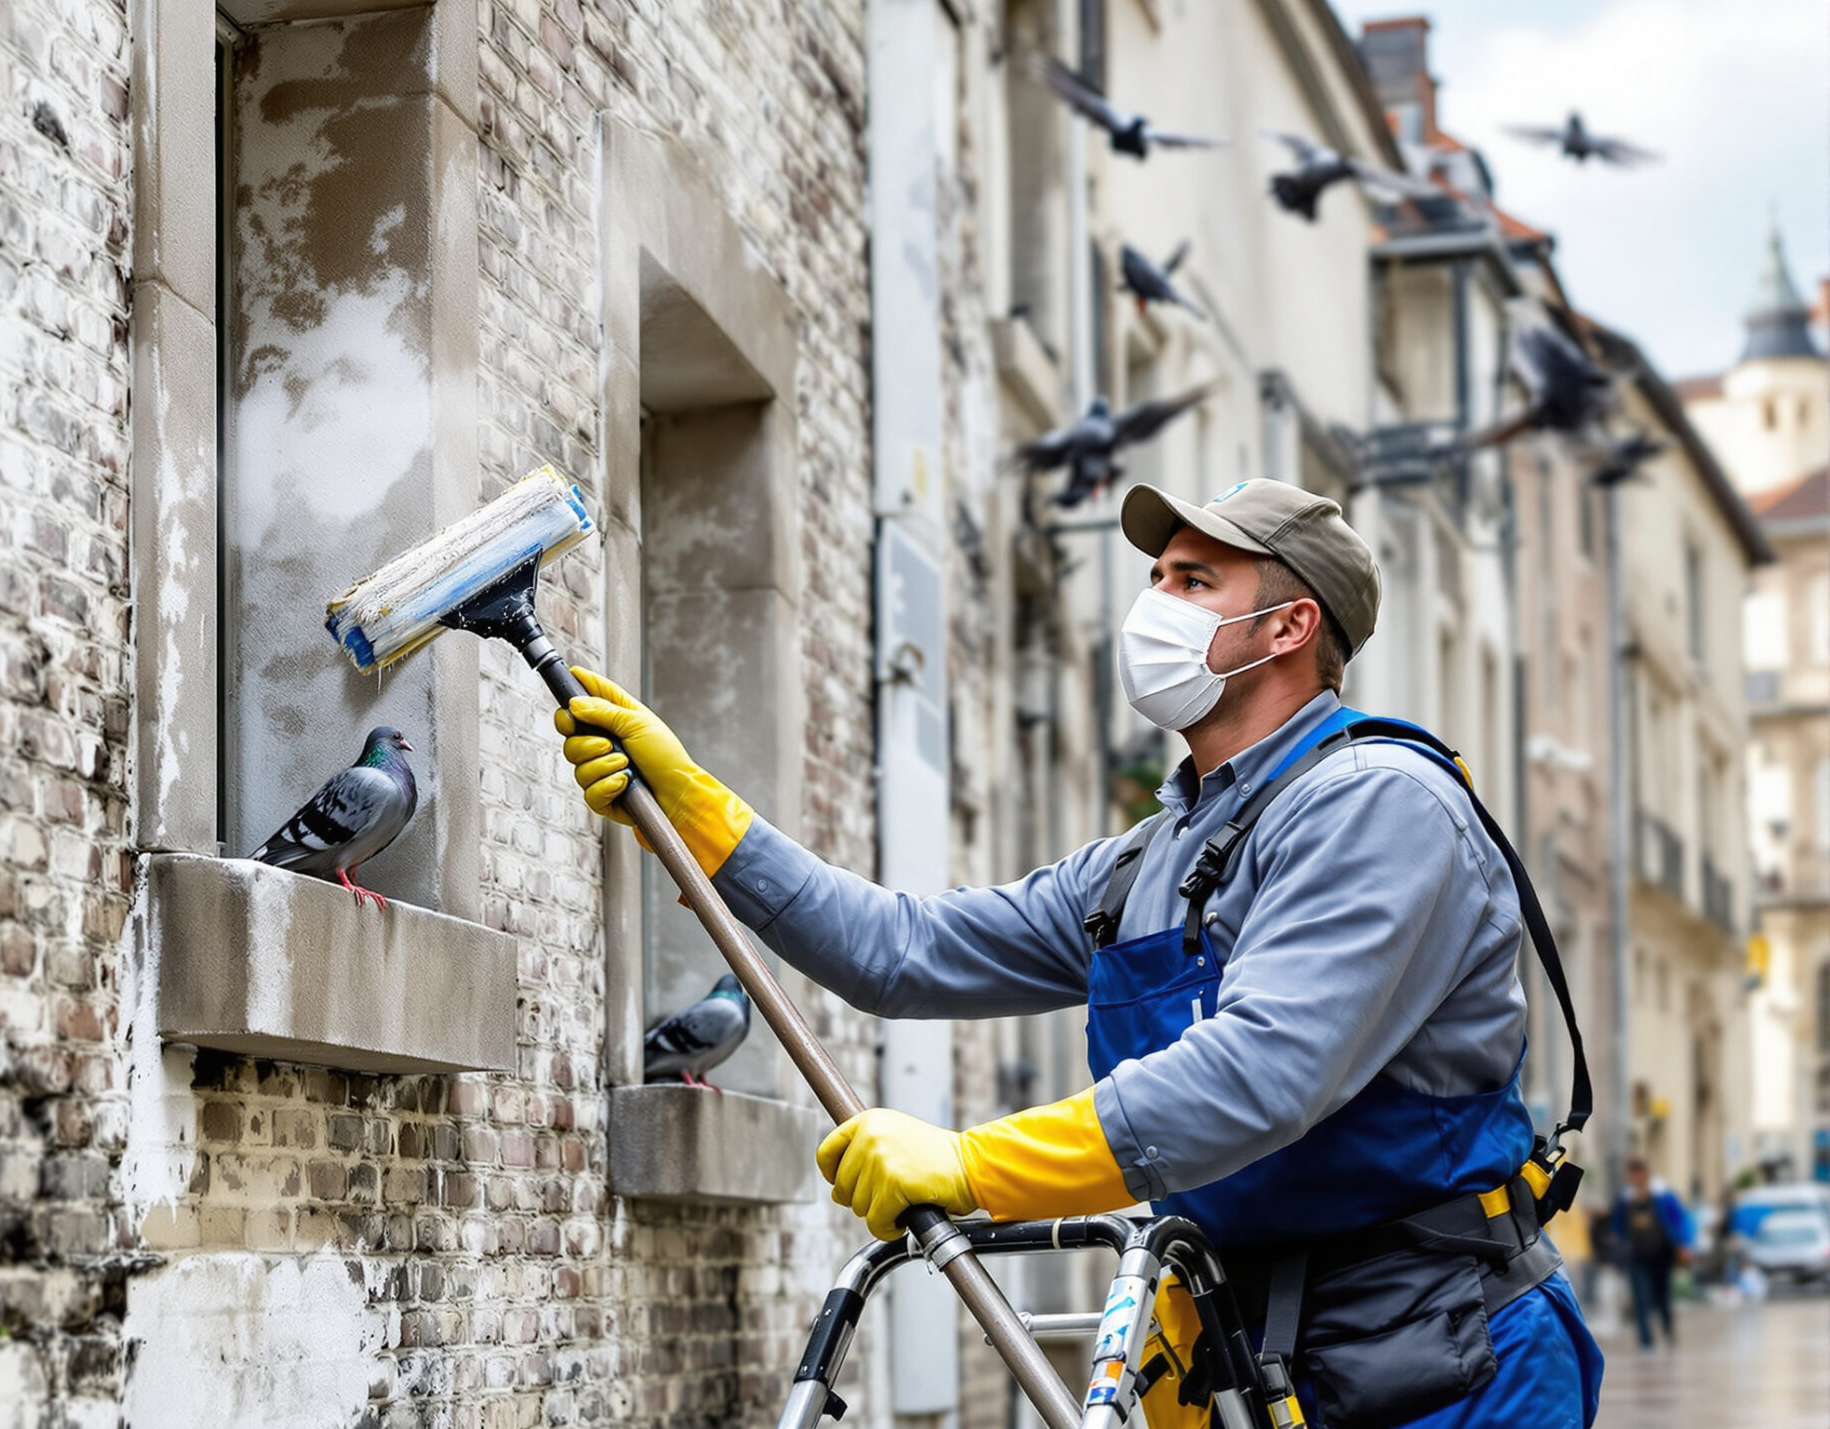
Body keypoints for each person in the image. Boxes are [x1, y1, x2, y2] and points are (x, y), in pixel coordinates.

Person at [555, 478, 1604, 1428]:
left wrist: (972, 1165)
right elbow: (900, 951)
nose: (1153, 604)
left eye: (1194, 579)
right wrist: (700, 816)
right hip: (1245, 1356)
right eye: (1154, 576)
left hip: (1448, 1355)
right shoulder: (1147, 862)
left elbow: (1260, 1074)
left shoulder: (1379, 807)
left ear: (1289, 624)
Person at [1614, 1159, 1691, 1349]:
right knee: (1641, 1298)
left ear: (1646, 1174)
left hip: (1661, 1255)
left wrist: (1683, 1245)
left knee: (1663, 1296)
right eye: (1633, 1174)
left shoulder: (1662, 1195)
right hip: (1636, 1256)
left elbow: (1678, 1219)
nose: (1636, 1178)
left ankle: (1668, 1331)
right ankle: (1645, 1341)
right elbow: (1617, 1227)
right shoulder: (1625, 1198)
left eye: (1639, 1173)